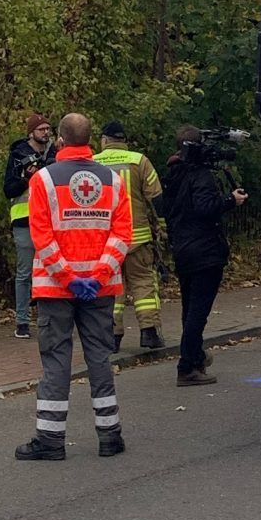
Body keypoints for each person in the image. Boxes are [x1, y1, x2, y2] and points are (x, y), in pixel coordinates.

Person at [16, 113, 134, 461]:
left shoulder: (43, 180)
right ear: (90, 140)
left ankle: (50, 440)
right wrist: (98, 274)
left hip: (57, 288)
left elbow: (42, 236)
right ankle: (110, 435)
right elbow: (121, 234)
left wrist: (68, 277)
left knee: (56, 359)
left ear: (62, 142)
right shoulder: (112, 181)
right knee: (99, 356)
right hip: (99, 289)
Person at [159, 127, 247, 387]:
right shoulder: (200, 176)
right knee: (198, 312)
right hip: (205, 251)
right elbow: (205, 208)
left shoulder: (172, 174)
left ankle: (195, 357)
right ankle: (187, 366)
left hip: (183, 250)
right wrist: (231, 200)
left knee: (190, 309)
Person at [93, 121, 164, 351]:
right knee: (143, 283)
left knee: (112, 288)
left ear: (104, 140)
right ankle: (149, 333)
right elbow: (157, 198)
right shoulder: (138, 160)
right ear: (124, 141)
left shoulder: (92, 164)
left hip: (105, 241)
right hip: (138, 237)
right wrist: (163, 226)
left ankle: (111, 338)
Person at [2, 112, 56, 338]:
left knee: (52, 270)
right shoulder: (18, 155)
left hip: (51, 220)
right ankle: (22, 322)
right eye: (41, 129)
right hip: (25, 220)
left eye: (47, 129)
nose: (45, 133)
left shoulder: (55, 153)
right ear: (31, 132)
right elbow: (8, 190)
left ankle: (51, 320)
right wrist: (27, 177)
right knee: (25, 273)